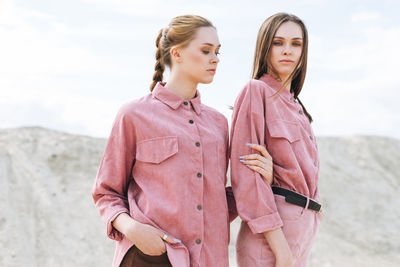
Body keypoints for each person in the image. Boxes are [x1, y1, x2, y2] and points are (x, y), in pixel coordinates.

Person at [92, 15, 272, 267]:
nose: (215, 59)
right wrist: (133, 229)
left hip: (209, 260)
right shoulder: (133, 115)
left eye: (218, 52)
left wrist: (262, 179)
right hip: (149, 256)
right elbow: (106, 192)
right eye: (206, 50)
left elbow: (219, 202)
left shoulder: (218, 123)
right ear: (176, 54)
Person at [230, 13, 322, 267]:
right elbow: (246, 177)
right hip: (272, 238)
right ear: (265, 46)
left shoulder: (297, 107)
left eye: (296, 44)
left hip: (302, 230)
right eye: (278, 42)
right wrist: (282, 252)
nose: (287, 51)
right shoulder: (256, 91)